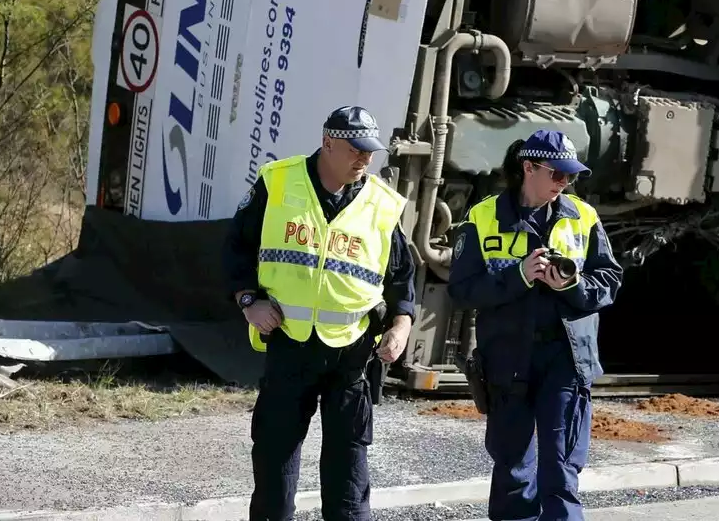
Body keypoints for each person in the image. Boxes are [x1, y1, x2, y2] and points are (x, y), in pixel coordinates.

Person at [222, 105, 416, 521]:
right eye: (355, 149)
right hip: (290, 344)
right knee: (275, 458)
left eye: (370, 152)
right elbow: (235, 248)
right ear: (328, 143)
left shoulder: (383, 203)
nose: (365, 159)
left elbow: (402, 278)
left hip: (352, 354)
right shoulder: (278, 182)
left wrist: (400, 327)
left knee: (348, 467)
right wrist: (248, 301)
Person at [448, 129, 624, 521]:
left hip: (565, 357)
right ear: (528, 168)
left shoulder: (583, 216)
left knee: (561, 471)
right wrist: (520, 276)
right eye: (557, 175)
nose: (564, 184)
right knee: (512, 469)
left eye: (571, 177)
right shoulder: (483, 217)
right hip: (508, 359)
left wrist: (573, 284)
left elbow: (609, 281)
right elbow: (461, 290)